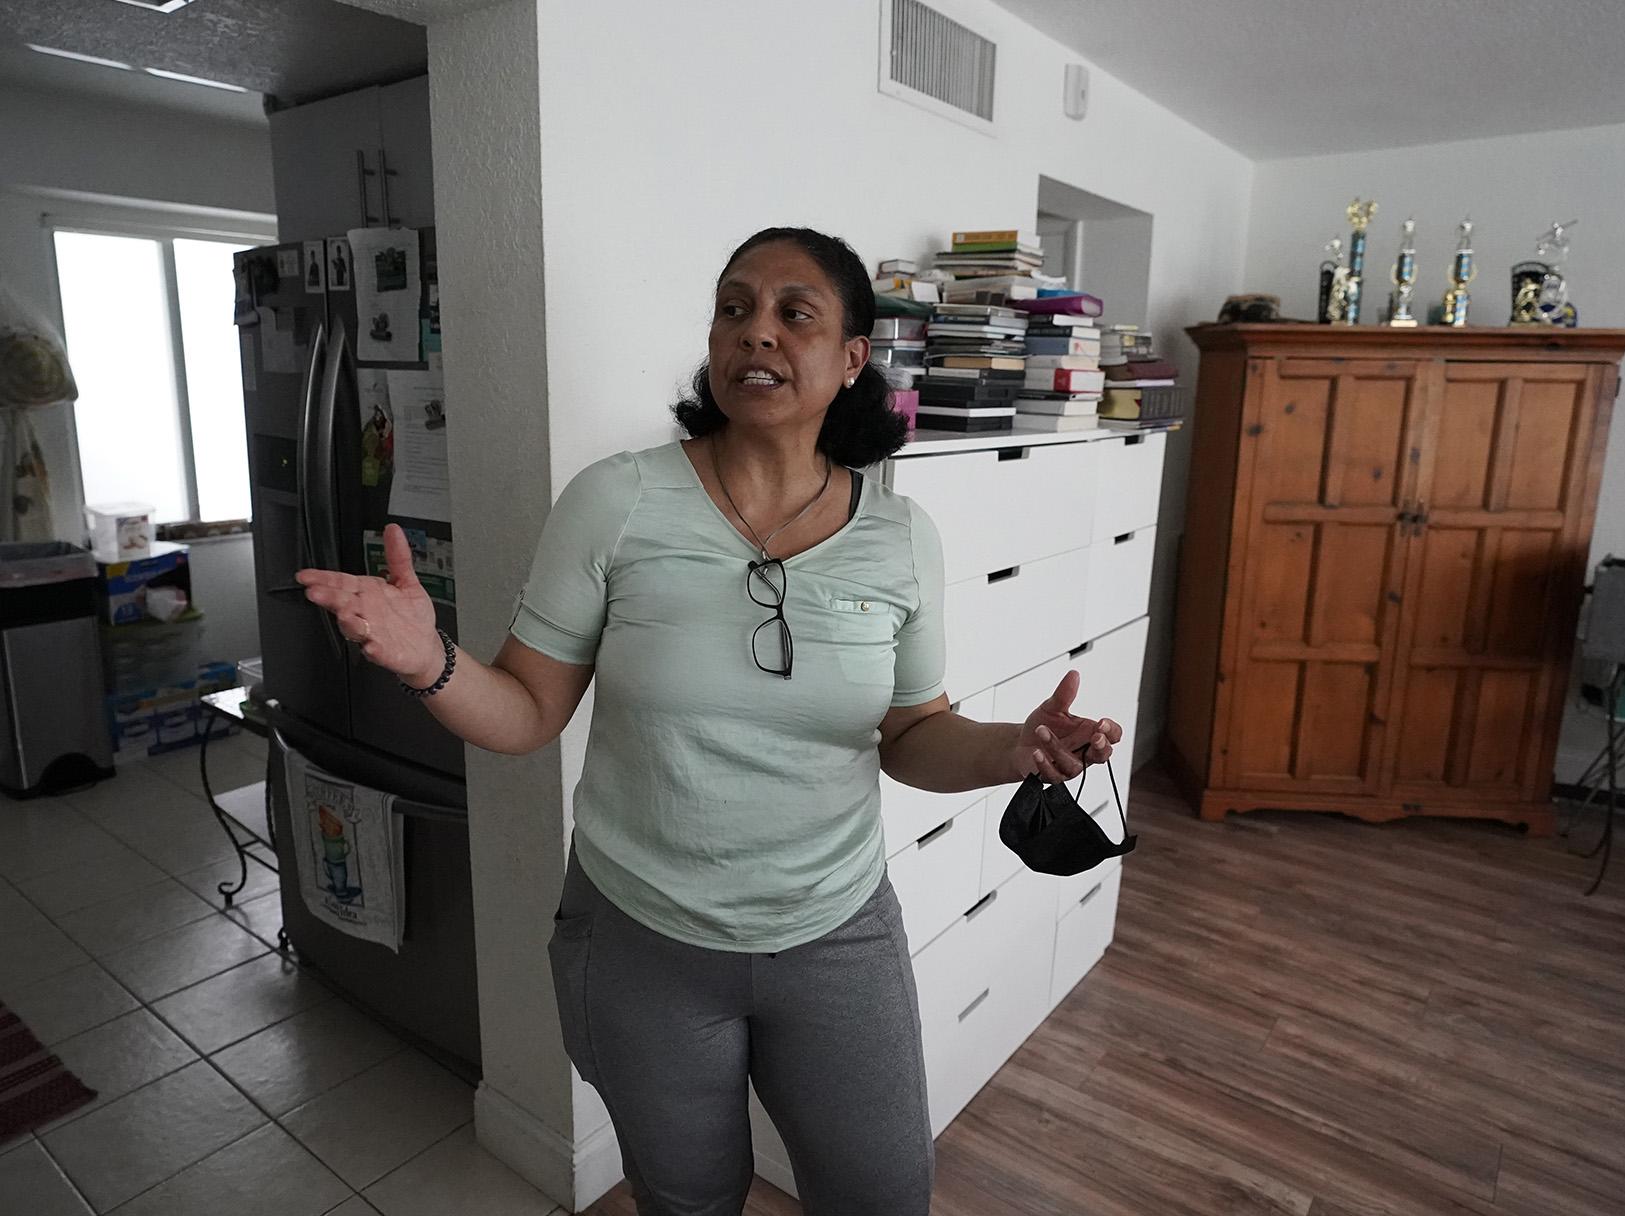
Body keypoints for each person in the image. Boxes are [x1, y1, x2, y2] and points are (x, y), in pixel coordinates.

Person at [295, 226, 1125, 1216]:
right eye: (734, 309)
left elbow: (910, 733)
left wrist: (1011, 749)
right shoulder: (617, 501)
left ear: (852, 358)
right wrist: (430, 659)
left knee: (884, 1197)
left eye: (792, 313)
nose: (754, 334)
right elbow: (523, 711)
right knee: (689, 1202)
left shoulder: (901, 539)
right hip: (643, 939)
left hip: (836, 932)